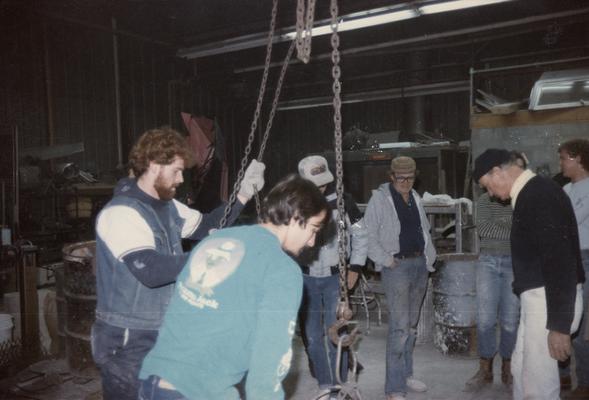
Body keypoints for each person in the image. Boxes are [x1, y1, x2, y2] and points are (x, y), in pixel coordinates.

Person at [92, 127, 265, 400]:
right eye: (176, 171)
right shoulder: (121, 213)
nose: (182, 179)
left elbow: (209, 226)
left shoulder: (169, 206)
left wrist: (242, 193)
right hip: (129, 338)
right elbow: (151, 271)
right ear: (152, 165)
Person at [137, 174, 330, 400]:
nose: (312, 242)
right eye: (314, 229)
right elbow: (270, 356)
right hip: (199, 391)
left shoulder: (216, 240)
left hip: (152, 381)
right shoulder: (282, 269)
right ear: (297, 217)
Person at [472, 148, 585, 400]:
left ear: (497, 171)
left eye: (487, 185)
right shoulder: (531, 193)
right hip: (539, 300)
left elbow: (561, 262)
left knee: (539, 385)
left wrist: (559, 326)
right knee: (522, 370)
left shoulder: (539, 195)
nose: (490, 194)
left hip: (550, 303)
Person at [363, 156, 436, 400]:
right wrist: (386, 260)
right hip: (397, 267)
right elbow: (367, 235)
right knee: (399, 328)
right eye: (401, 177)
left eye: (410, 177)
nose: (406, 182)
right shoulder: (379, 200)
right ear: (391, 176)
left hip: (419, 265)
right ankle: (394, 388)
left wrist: (428, 258)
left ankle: (406, 374)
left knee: (411, 327)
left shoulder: (415, 197)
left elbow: (424, 231)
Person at [297, 155, 368, 398]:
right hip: (305, 280)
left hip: (334, 280)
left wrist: (355, 266)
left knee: (335, 333)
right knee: (313, 337)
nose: (320, 188)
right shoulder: (294, 205)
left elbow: (361, 233)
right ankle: (325, 385)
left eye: (322, 182)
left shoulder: (344, 202)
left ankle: (340, 385)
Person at [464, 191, 519, 391]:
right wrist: (510, 222)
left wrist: (505, 223)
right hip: (487, 261)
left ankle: (508, 367)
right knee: (485, 319)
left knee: (510, 319)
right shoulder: (484, 200)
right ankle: (485, 369)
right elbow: (485, 229)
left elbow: (524, 229)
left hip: (514, 262)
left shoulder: (519, 198)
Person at [559, 139, 589, 399]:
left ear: (579, 159)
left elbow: (568, 223)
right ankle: (563, 374)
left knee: (582, 327)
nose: (561, 163)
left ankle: (585, 383)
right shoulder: (566, 189)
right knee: (565, 320)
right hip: (566, 258)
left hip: (586, 258)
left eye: (564, 158)